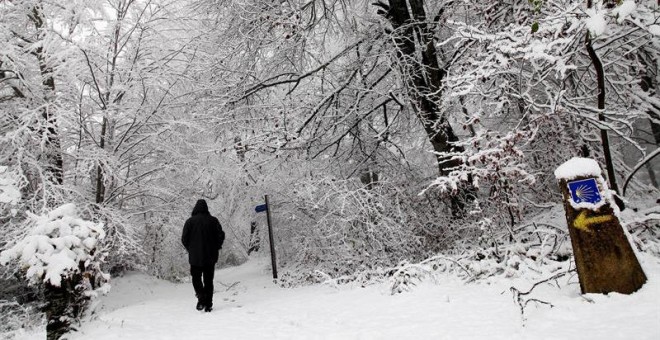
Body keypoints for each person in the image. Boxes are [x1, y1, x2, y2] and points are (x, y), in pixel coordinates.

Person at [181, 199, 225, 312]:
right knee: (208, 280)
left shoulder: (189, 222)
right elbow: (221, 236)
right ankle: (208, 304)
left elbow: (184, 239)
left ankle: (201, 298)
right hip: (210, 256)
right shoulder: (213, 221)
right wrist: (216, 246)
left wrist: (190, 249)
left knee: (196, 279)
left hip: (195, 257)